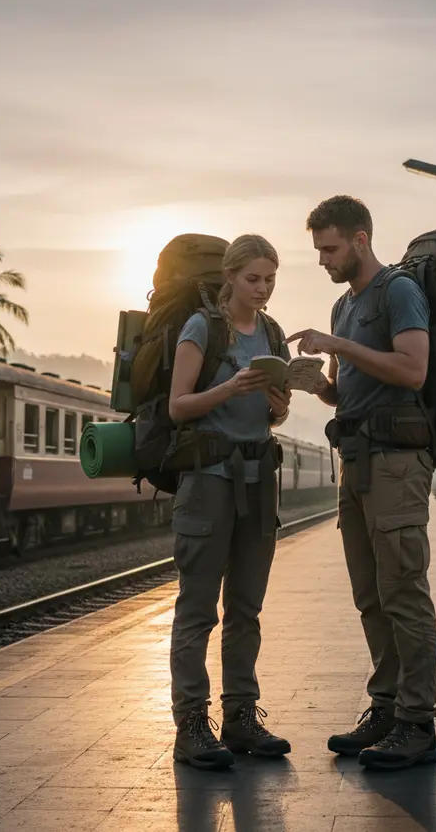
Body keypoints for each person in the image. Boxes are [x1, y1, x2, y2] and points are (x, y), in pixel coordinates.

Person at [286, 195, 436, 771]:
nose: (323, 260)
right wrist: (316, 384)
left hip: (396, 462)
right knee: (371, 596)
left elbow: (413, 370)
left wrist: (340, 346)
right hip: (354, 460)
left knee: (404, 592)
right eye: (318, 250)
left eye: (330, 248)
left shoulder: (398, 291)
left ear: (360, 239)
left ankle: (417, 725)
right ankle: (386, 708)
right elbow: (346, 389)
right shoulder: (342, 306)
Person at [168, 233, 294, 770]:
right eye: (253, 279)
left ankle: (241, 716)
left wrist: (278, 403)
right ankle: (192, 725)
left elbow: (275, 416)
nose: (262, 289)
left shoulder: (273, 333)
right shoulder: (203, 328)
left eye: (270, 279)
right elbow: (178, 406)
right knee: (198, 607)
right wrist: (229, 389)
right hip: (209, 481)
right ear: (231, 276)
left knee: (246, 606)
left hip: (258, 479)